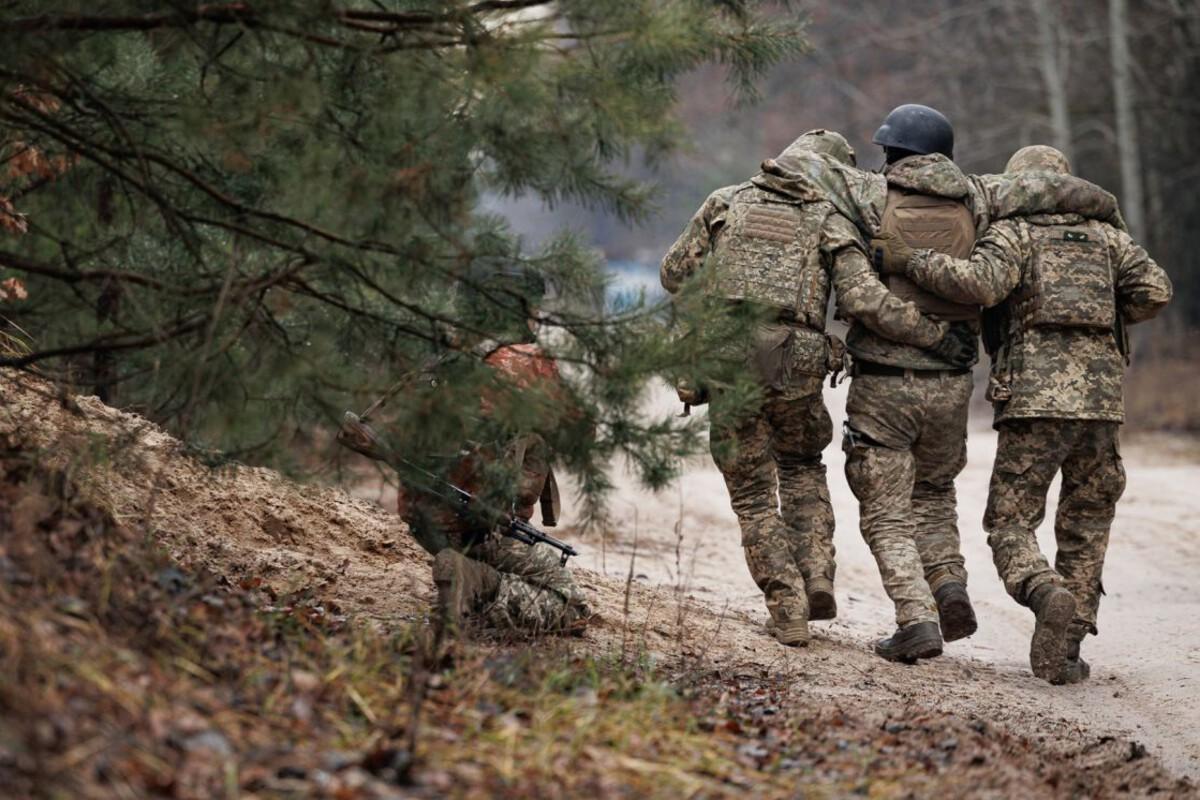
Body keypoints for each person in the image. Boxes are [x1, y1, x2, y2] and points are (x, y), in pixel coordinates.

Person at [870, 144, 1172, 682]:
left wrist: (911, 259)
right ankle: (1068, 646)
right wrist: (1103, 319)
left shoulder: (1013, 234)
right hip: (1102, 405)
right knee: (1086, 522)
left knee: (1010, 522)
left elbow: (980, 285)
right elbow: (1155, 291)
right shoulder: (1110, 239)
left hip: (1032, 400)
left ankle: (1042, 588)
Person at [660, 129, 962, 647]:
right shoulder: (830, 218)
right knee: (801, 466)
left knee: (755, 497)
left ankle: (788, 607)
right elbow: (863, 296)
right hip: (798, 360)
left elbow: (674, 273)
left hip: (730, 356)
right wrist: (932, 333)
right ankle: (818, 574)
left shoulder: (726, 201)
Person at [340, 265, 590, 636]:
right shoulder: (524, 360)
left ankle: (467, 574)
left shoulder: (441, 357)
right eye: (533, 307)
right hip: (485, 529)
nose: (537, 317)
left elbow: (385, 430)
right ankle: (475, 580)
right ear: (517, 309)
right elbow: (581, 432)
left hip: (425, 520)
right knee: (573, 608)